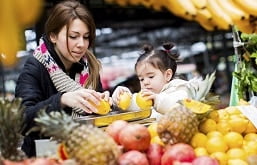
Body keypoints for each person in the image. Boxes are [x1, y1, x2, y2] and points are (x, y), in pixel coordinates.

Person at [15, 0, 111, 157]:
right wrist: (61, 100)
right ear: (53, 36)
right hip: (45, 157)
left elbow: (97, 118)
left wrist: (108, 102)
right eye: (73, 36)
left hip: (86, 154)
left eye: (86, 37)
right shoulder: (35, 68)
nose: (81, 44)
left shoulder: (90, 67)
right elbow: (22, 119)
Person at [112, 41, 216, 119]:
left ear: (167, 75)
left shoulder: (181, 89)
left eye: (151, 76)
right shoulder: (147, 96)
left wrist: (157, 101)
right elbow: (132, 104)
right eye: (141, 79)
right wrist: (120, 98)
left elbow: (179, 108)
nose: (146, 82)